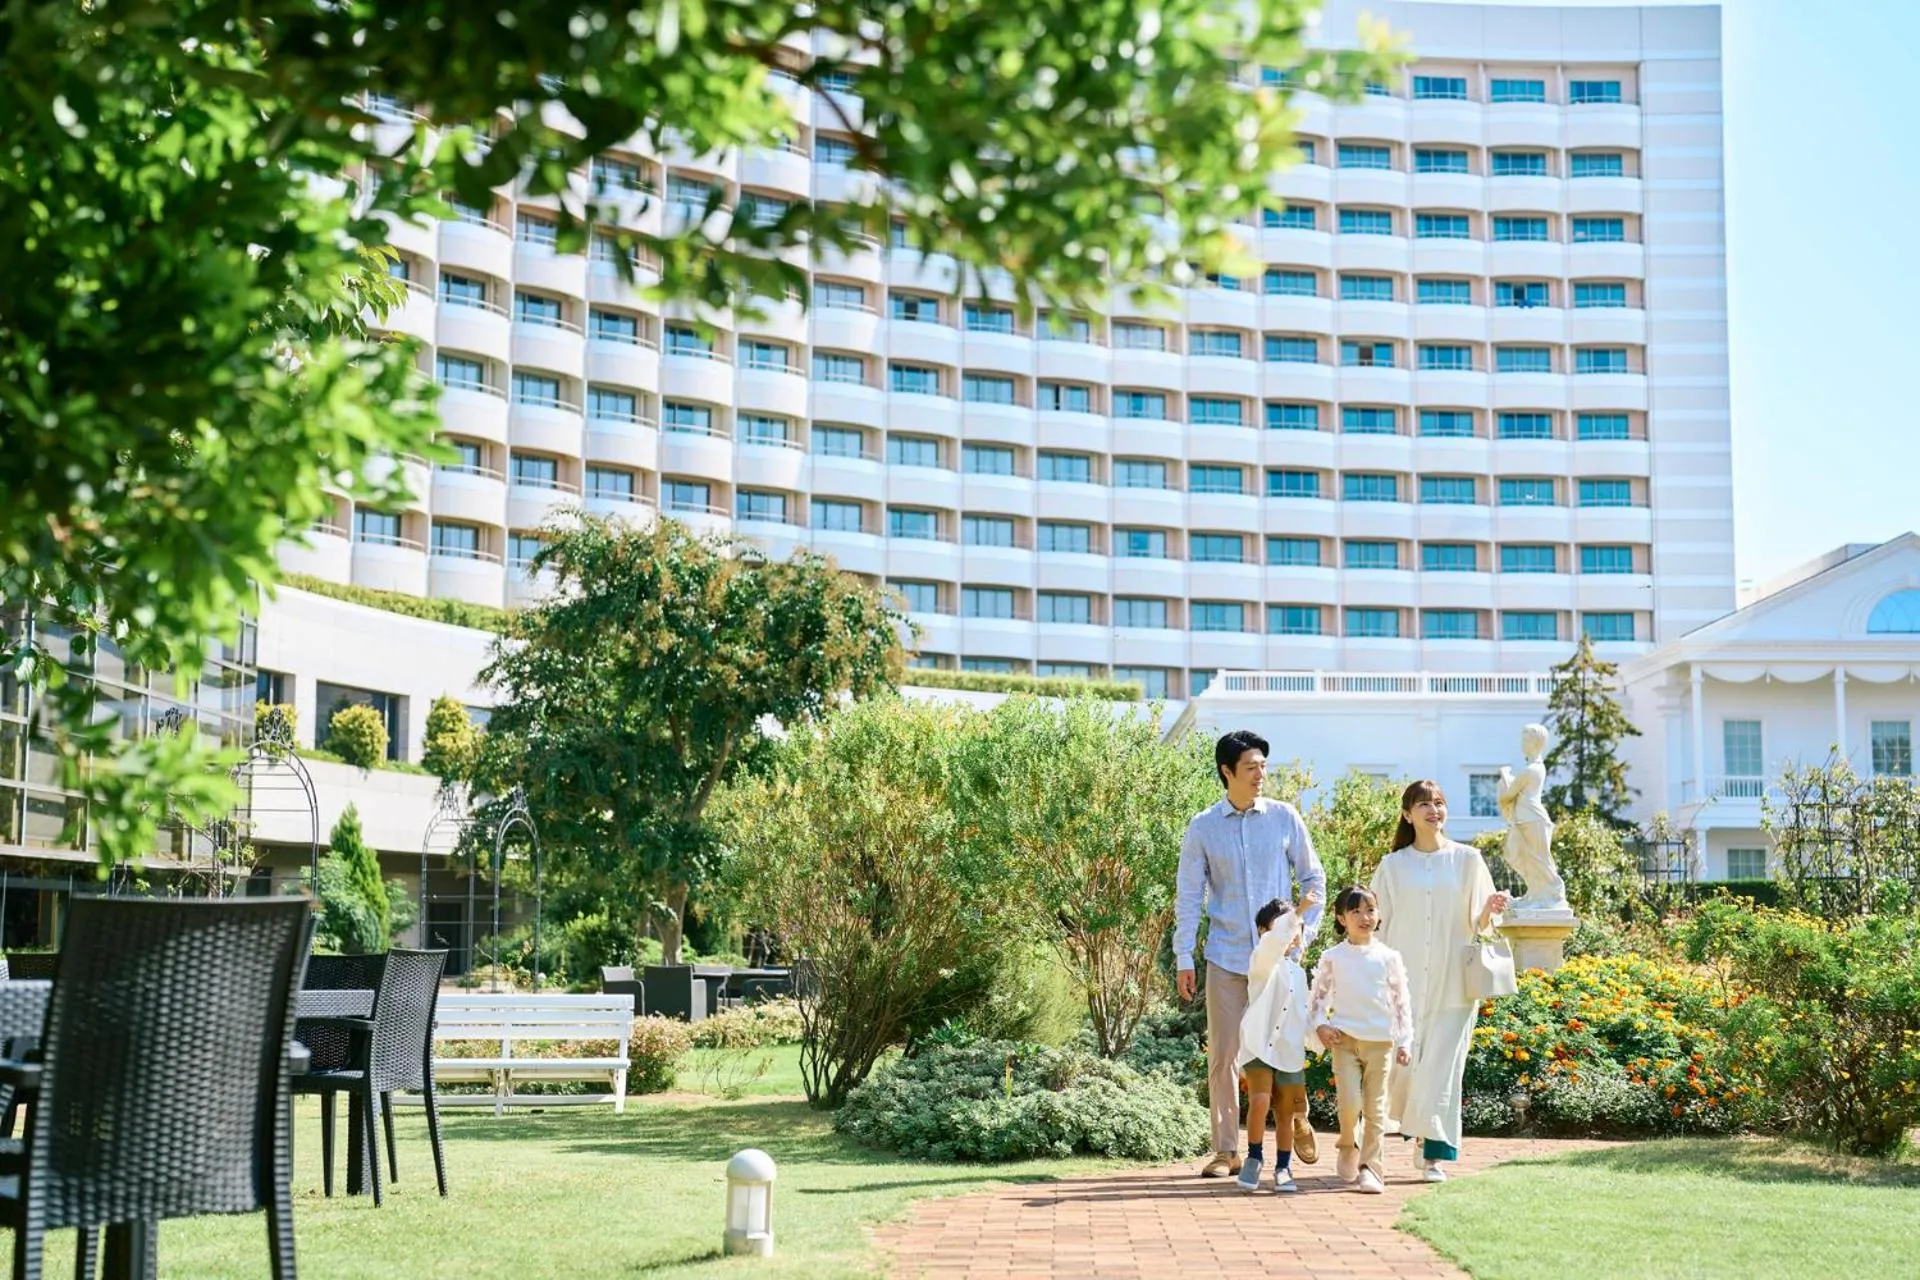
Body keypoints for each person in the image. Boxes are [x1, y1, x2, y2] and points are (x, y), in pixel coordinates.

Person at [1174, 729, 1327, 1178]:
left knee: (1284, 1047)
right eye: (1250, 767)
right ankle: (1226, 1151)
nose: (1260, 774)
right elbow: (1188, 896)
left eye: (1263, 766)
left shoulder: (1284, 818)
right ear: (1227, 772)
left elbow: (1313, 881)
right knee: (1224, 1057)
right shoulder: (1202, 828)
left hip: (1279, 960)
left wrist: (1305, 932)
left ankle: (1296, 1117)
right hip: (1226, 957)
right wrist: (1184, 956)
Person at [1371, 780, 1510, 1183]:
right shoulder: (1392, 866)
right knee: (1407, 1065)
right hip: (1404, 984)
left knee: (1444, 1068)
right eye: (1424, 804)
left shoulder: (1468, 860)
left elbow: (1481, 924)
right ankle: (1414, 1132)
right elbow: (1377, 926)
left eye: (1439, 803)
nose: (1434, 810)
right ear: (1407, 814)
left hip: (1454, 984)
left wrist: (1488, 909)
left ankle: (1434, 1155)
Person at [1305, 886, 1412, 1195]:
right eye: (1356, 912)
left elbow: (1401, 1003)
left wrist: (1405, 1041)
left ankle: (1371, 1169)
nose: (1365, 917)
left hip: (1381, 1043)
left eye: (1370, 910)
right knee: (1350, 1105)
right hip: (1345, 1040)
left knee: (1376, 1109)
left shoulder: (1389, 957)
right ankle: (1347, 1143)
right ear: (1341, 918)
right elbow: (1317, 1002)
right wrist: (1321, 1026)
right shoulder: (1332, 957)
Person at [1233, 896, 1315, 1194]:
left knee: (1285, 1112)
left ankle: (1283, 1166)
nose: (1293, 932)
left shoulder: (1299, 973)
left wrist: (1319, 1037)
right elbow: (1275, 943)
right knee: (1260, 1101)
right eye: (1285, 925)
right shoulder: (1261, 960)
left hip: (1289, 1051)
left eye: (1298, 928)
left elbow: (1304, 1014)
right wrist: (1298, 912)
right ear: (1262, 930)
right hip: (1258, 1044)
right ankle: (1253, 1158)